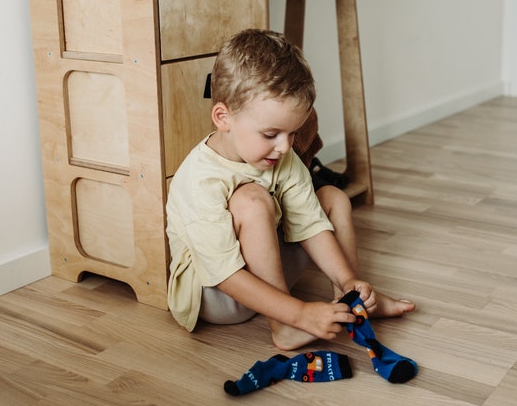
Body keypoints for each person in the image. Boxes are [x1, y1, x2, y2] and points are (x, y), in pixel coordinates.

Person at [165, 29, 414, 350]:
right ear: (223, 117)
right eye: (271, 134)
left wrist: (347, 278)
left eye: (292, 133)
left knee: (333, 197)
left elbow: (310, 223)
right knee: (251, 200)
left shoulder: (279, 153)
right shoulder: (200, 180)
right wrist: (298, 313)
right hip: (215, 293)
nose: (284, 147)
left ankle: (352, 299)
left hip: (264, 277)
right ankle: (283, 326)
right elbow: (224, 276)